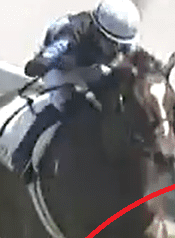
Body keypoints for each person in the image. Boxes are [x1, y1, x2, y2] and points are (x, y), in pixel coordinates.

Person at [14, 0, 142, 182]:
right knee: (65, 102)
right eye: (111, 43)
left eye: (119, 44)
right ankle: (23, 154)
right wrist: (44, 62)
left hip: (89, 64)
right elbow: (39, 63)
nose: (116, 50)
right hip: (62, 65)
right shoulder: (71, 34)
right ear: (97, 31)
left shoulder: (125, 38)